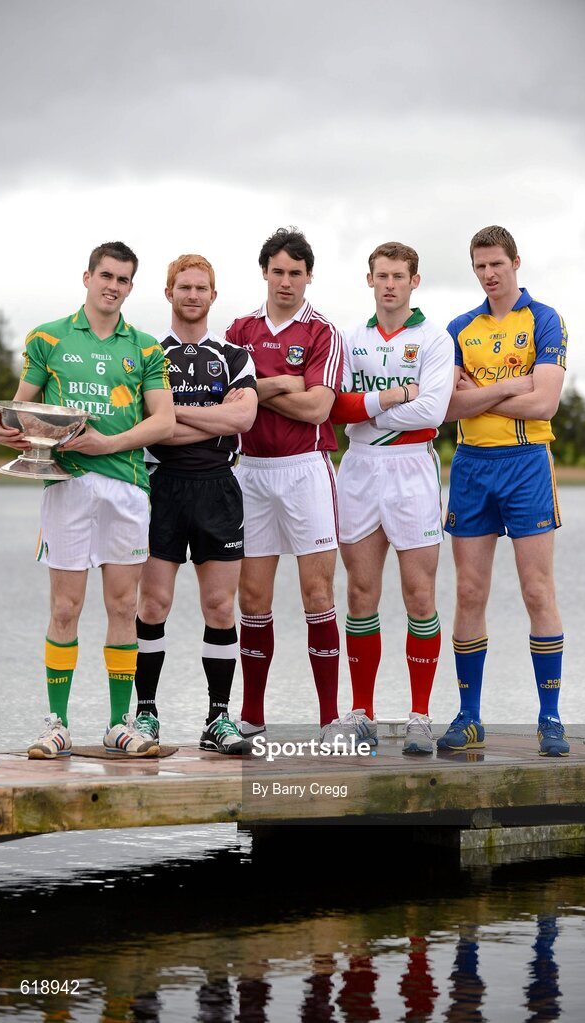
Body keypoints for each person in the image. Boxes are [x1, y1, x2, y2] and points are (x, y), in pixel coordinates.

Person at [0, 241, 175, 759]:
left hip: (126, 486)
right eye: (106, 276)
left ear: (131, 287)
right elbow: (18, 409)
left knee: (122, 606)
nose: (113, 286)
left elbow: (164, 420)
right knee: (66, 607)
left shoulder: (143, 347)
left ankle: (119, 725)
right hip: (66, 486)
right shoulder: (49, 337)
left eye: (123, 280)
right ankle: (57, 724)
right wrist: (7, 429)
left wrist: (107, 444)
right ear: (88, 277)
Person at [225, 227, 358, 743]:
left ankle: (330, 719)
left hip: (307, 467)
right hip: (251, 470)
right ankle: (252, 717)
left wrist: (257, 391)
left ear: (309, 276)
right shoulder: (238, 330)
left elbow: (320, 408)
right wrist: (284, 384)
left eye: (295, 273)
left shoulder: (323, 332)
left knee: (316, 591)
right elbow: (228, 404)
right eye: (277, 271)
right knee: (253, 595)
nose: (286, 282)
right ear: (265, 272)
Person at [439, 225, 568, 756]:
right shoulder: (456, 328)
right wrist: (513, 384)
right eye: (479, 266)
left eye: (497, 264)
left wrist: (483, 395)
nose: (489, 274)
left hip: (526, 465)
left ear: (517, 262)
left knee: (537, 590)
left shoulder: (544, 319)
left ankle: (550, 717)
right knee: (470, 593)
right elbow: (447, 409)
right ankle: (470, 716)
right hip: (470, 466)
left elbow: (544, 405)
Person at [331, 241, 454, 754]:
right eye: (380, 275)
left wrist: (372, 410)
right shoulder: (350, 338)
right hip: (358, 468)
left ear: (414, 281)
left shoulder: (435, 339)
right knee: (361, 594)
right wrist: (385, 400)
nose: (389, 284)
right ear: (369, 280)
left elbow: (432, 411)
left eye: (398, 276)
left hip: (412, 469)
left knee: (419, 595)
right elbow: (335, 407)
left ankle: (421, 716)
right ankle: (362, 713)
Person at [134, 253, 258, 754]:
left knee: (218, 606)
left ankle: (218, 718)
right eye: (182, 286)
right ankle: (145, 715)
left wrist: (170, 415)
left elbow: (243, 420)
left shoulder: (234, 355)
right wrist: (212, 414)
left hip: (219, 487)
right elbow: (149, 426)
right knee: (153, 603)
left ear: (213, 295)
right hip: (161, 486)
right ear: (169, 293)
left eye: (200, 287)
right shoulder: (148, 354)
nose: (191, 294)